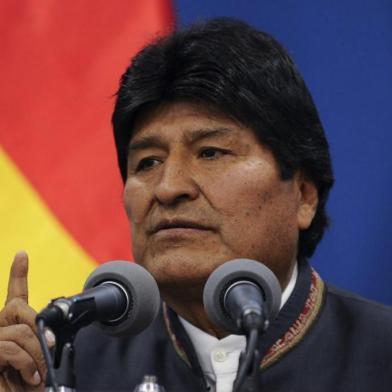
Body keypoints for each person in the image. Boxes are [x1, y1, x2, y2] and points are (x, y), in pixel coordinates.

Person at [1, 17, 391, 392]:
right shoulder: (65, 367)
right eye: (148, 162)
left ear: (304, 196)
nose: (168, 188)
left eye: (211, 153)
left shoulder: (380, 354)